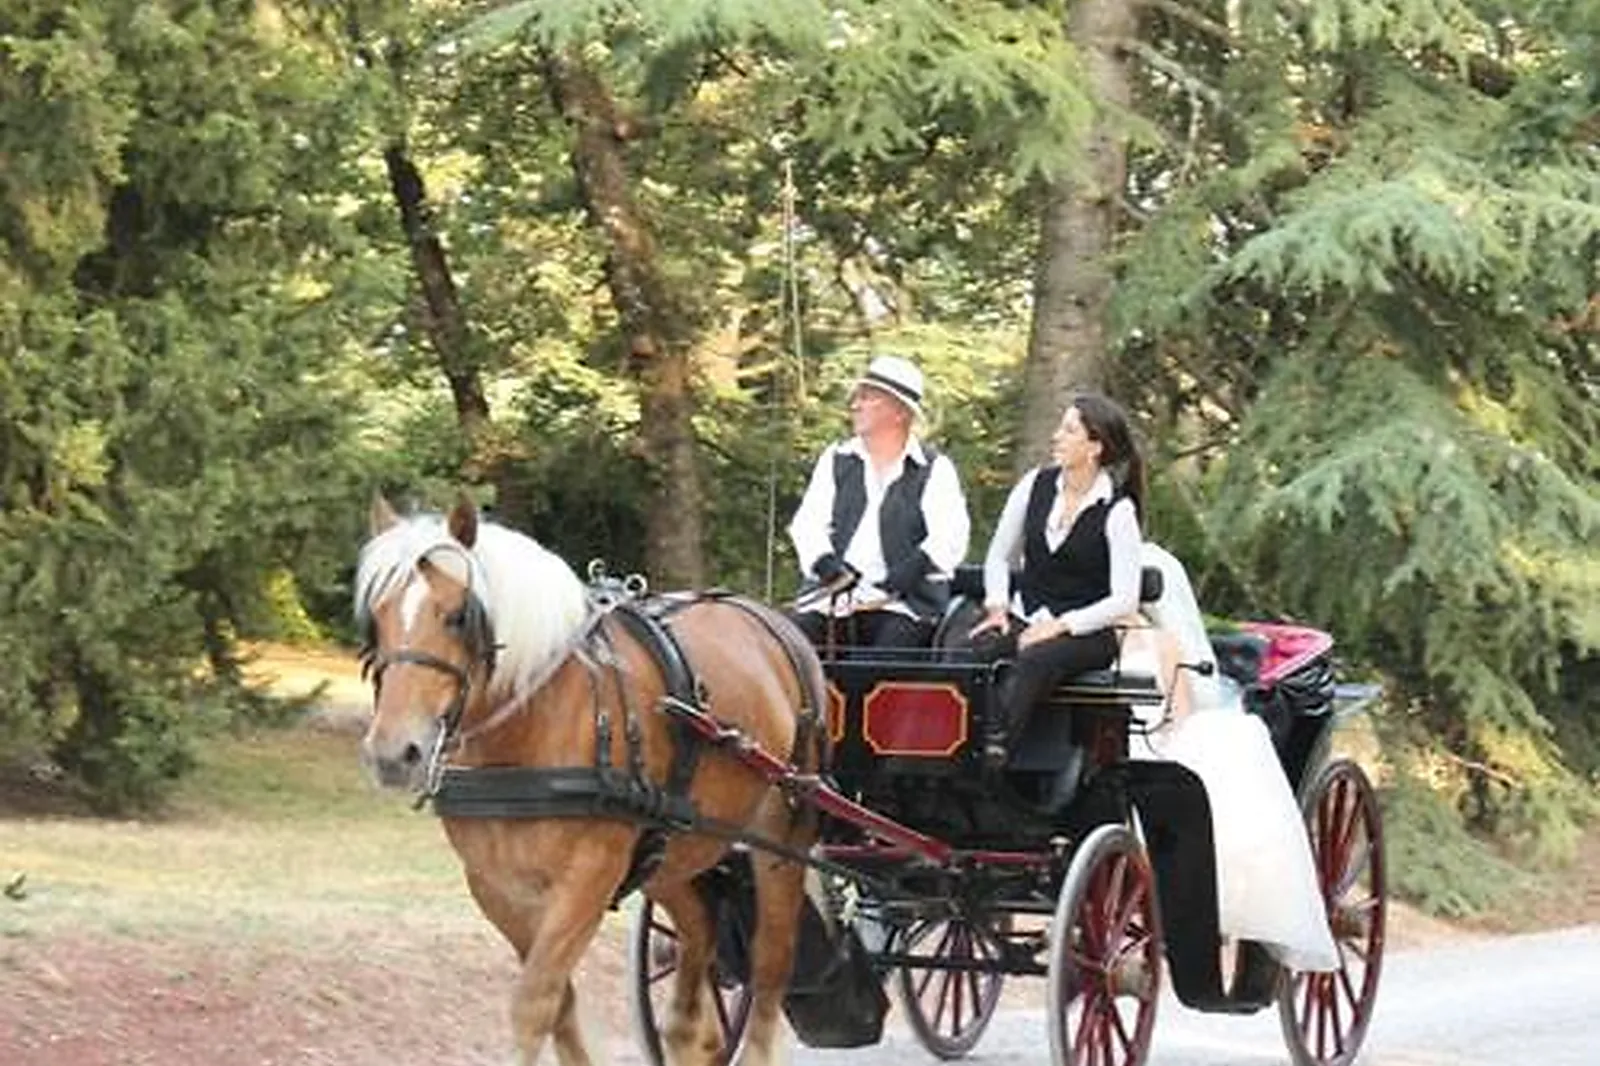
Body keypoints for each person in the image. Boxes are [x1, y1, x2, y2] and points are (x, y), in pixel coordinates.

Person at [970, 392, 1144, 765]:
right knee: (970, 651)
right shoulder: (1034, 485)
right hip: (1024, 614)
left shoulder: (1118, 511)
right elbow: (999, 555)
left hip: (1088, 634)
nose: (1056, 437)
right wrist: (998, 605)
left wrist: (1061, 626)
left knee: (1035, 659)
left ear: (1094, 446)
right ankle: (944, 747)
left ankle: (993, 753)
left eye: (1068, 430)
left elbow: (1125, 600)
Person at [788, 354, 971, 648]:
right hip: (833, 602)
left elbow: (949, 537)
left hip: (904, 605)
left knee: (880, 664)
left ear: (899, 412)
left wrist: (906, 573)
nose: (855, 405)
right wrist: (826, 565)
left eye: (868, 398)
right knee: (788, 651)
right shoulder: (836, 459)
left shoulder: (934, 469)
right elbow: (807, 524)